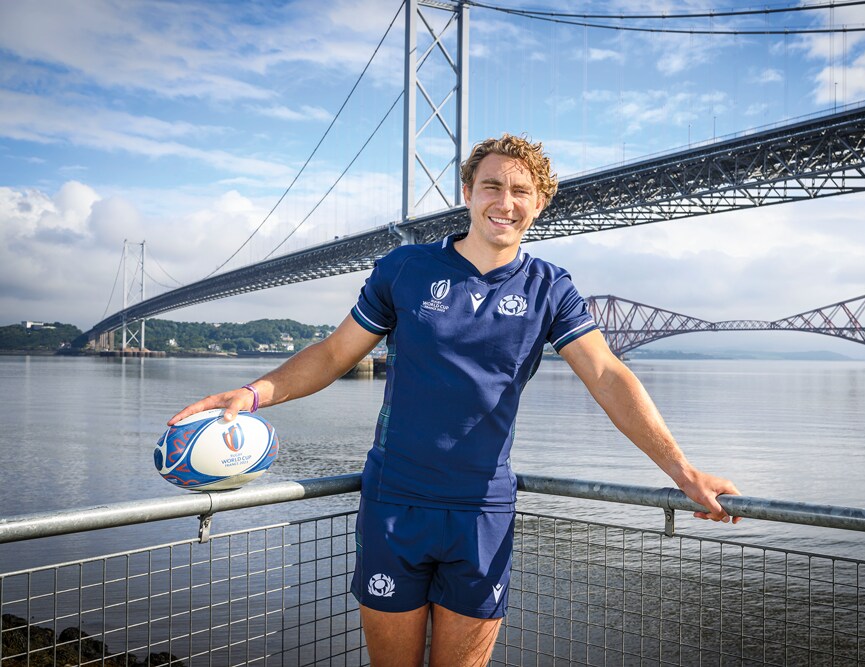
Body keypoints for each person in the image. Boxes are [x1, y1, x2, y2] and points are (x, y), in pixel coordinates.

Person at [169, 133, 741, 666]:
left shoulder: (550, 288)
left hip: (481, 511)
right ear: (467, 193)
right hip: (394, 501)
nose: (505, 201)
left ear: (539, 205)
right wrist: (252, 392)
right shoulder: (406, 269)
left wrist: (683, 470)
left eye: (522, 191)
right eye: (492, 185)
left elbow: (608, 376)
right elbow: (334, 354)